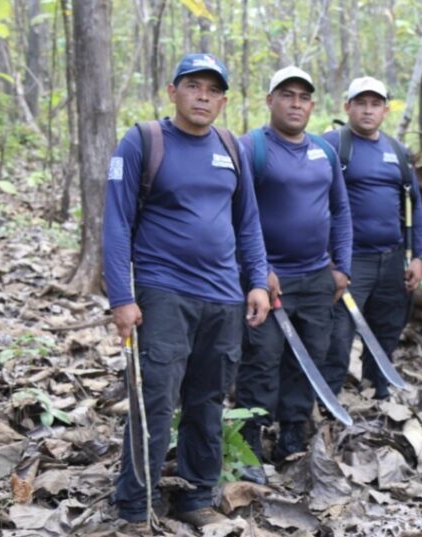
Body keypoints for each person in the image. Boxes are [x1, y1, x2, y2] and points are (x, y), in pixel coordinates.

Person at [103, 53, 270, 528]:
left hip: (223, 297)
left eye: (213, 89)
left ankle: (197, 497)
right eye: (193, 86)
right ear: (172, 91)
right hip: (163, 293)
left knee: (208, 400)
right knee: (154, 399)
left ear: (223, 100)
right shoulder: (143, 141)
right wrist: (121, 297)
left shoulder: (231, 147)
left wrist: (256, 281)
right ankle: (136, 506)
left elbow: (249, 223)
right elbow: (116, 224)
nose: (203, 96)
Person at [234, 66, 352, 483]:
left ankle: (291, 434)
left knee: (310, 358)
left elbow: (340, 209)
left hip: (317, 277)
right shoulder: (252, 147)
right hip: (268, 282)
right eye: (287, 95)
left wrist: (342, 266)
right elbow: (237, 215)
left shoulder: (323, 150)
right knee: (261, 360)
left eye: (304, 96)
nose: (296, 103)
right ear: (270, 100)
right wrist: (258, 270)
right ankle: (248, 439)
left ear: (313, 105)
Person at [323, 76, 422, 399]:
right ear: (348, 107)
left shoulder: (397, 151)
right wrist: (325, 258)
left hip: (392, 256)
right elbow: (311, 201)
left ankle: (377, 392)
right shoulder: (331, 145)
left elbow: (416, 206)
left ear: (385, 110)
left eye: (375, 104)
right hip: (349, 260)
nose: (368, 111)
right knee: (339, 334)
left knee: (386, 329)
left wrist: (419, 257)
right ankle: (329, 399)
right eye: (361, 103)